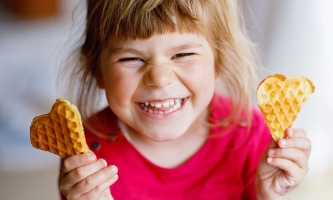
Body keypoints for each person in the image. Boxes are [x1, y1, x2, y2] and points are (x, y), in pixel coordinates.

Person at [58, 0, 311, 199]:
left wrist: (270, 195)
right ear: (96, 69)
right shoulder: (84, 152)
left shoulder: (251, 134)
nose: (159, 78)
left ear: (218, 60)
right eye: (131, 58)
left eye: (182, 54)